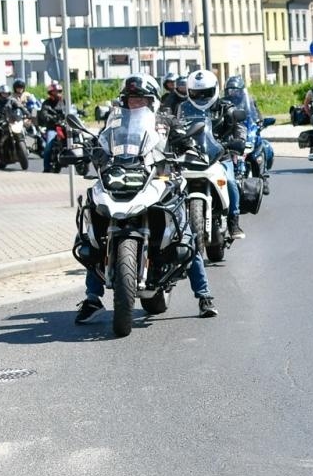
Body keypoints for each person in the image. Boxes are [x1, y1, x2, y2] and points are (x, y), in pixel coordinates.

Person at [75, 74, 217, 324]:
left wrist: (190, 149)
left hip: (158, 180)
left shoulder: (166, 121)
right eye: (131, 99)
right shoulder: (114, 124)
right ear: (124, 101)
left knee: (185, 235)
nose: (136, 103)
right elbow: (101, 144)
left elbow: (186, 140)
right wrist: (90, 153)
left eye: (141, 98)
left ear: (151, 101)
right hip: (121, 179)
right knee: (93, 232)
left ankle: (204, 295)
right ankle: (92, 298)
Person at [178, 69, 244, 238]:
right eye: (196, 93)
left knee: (230, 182)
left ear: (214, 89)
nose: (201, 97)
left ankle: (233, 221)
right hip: (191, 155)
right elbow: (176, 128)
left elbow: (239, 127)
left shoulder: (226, 107)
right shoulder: (183, 108)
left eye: (205, 93)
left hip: (220, 155)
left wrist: (239, 141)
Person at [36, 81, 74, 171]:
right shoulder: (47, 103)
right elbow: (43, 113)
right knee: (48, 145)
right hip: (53, 127)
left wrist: (80, 111)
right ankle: (46, 167)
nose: (58, 93)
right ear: (51, 93)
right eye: (56, 91)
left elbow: (72, 108)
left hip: (65, 125)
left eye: (59, 91)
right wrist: (50, 118)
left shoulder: (64, 102)